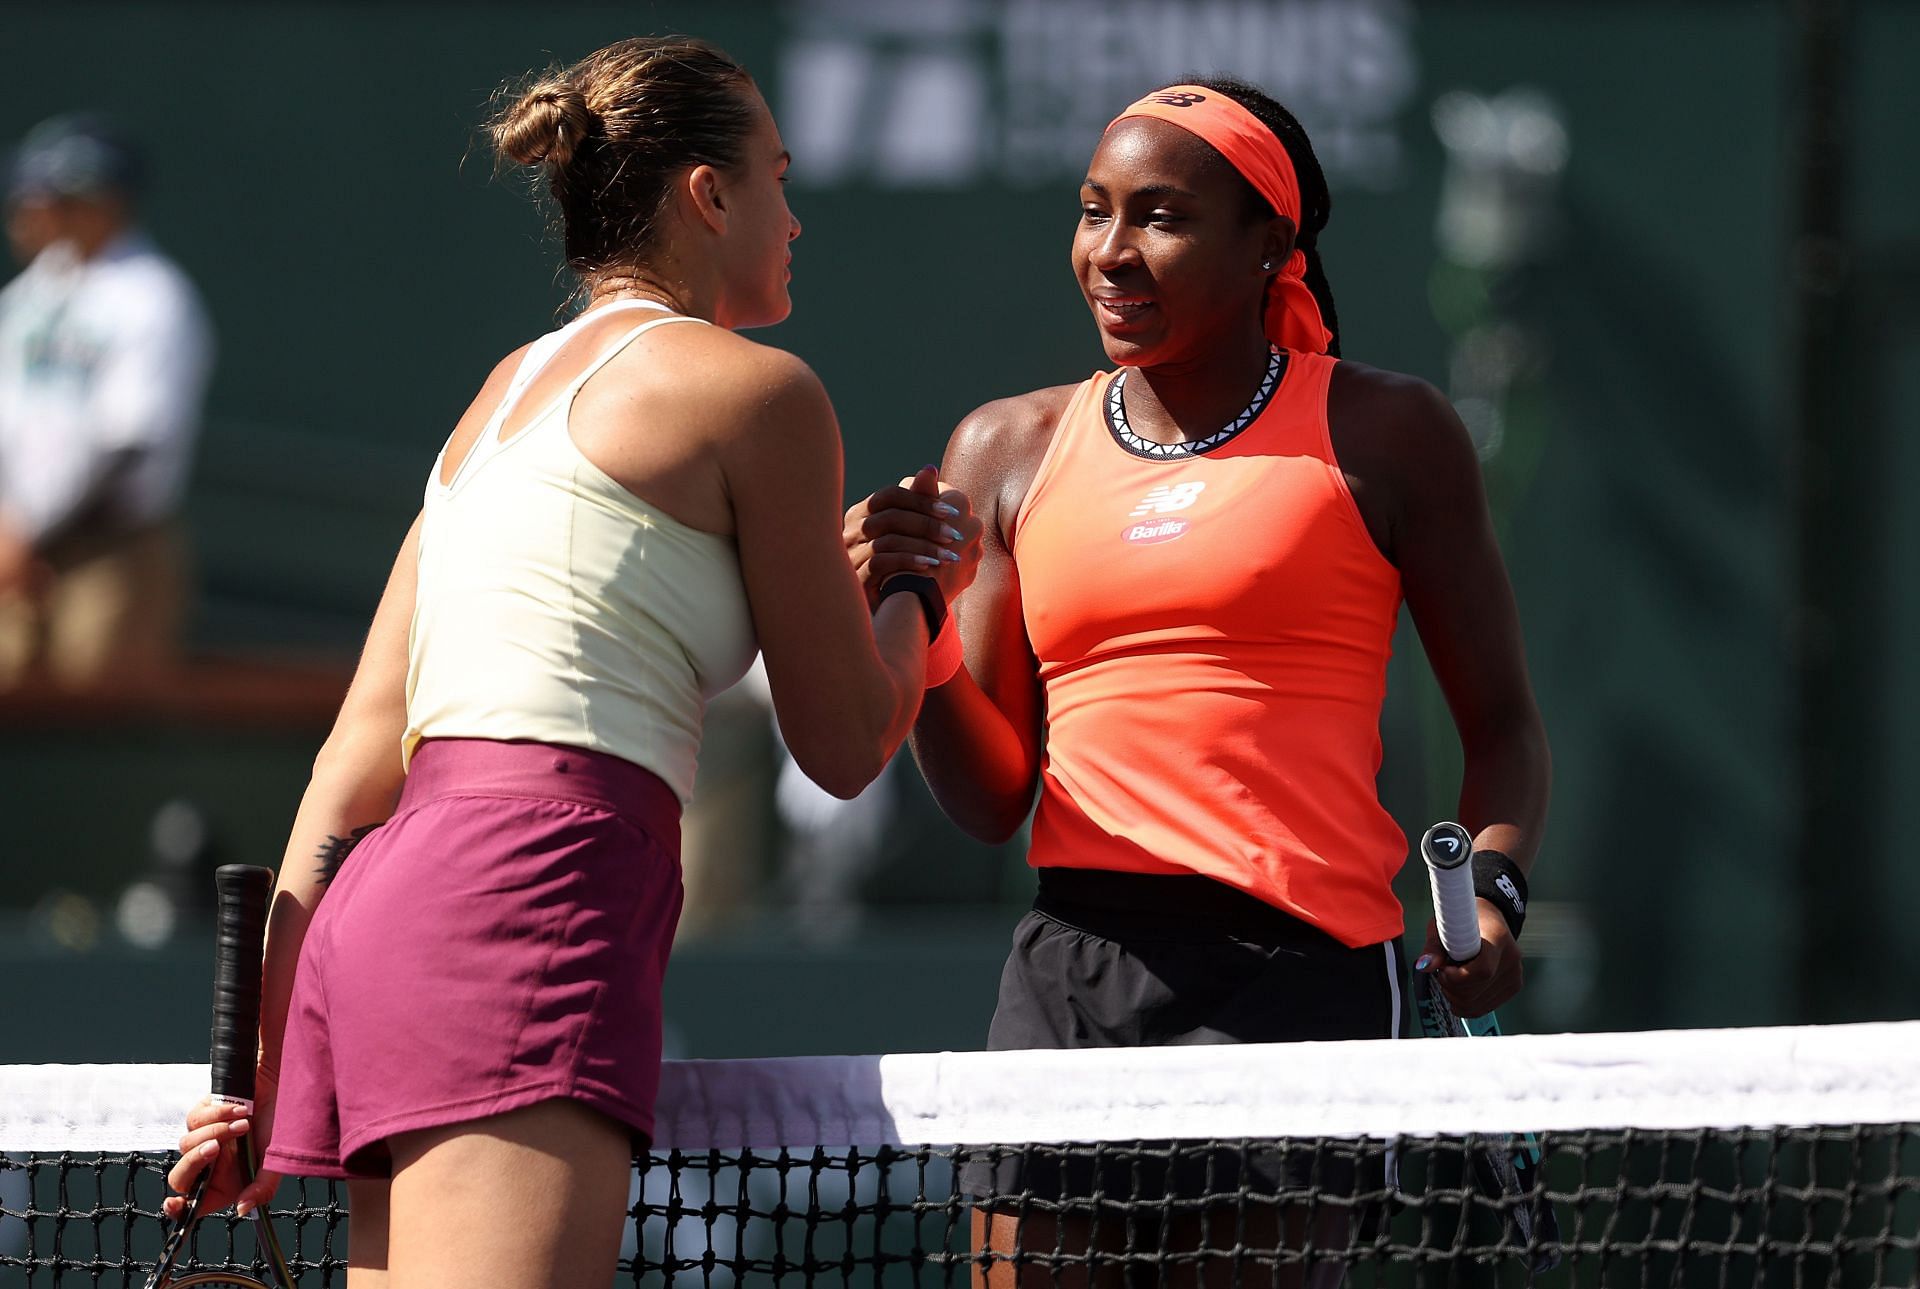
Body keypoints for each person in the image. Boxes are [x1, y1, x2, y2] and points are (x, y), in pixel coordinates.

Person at [163, 36, 982, 1288]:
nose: (797, 216)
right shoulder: (760, 394)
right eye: (777, 176)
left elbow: (348, 770)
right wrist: (917, 589)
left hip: (376, 928)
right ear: (709, 196)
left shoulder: (491, 406)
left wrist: (261, 1072)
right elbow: (846, 738)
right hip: (529, 889)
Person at [847, 78, 1550, 1285]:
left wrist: (1489, 898)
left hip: (1302, 980)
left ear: (1268, 241)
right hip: (1075, 970)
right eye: (1093, 211)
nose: (1111, 253)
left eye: (1160, 217)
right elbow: (990, 794)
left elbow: (1504, 728)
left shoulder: (1390, 433)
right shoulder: (1006, 447)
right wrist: (916, 631)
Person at [0, 114, 213, 693]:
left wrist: (26, 534)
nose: (34, 211)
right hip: (18, 546)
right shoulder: (31, 294)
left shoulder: (152, 296)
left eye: (59, 197)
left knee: (97, 719)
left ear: (105, 201)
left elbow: (128, 442)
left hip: (110, 549)